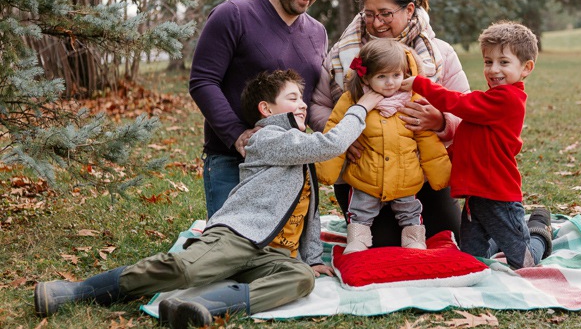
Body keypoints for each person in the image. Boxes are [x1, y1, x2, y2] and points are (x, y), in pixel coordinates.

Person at [35, 70, 383, 328]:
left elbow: (309, 212)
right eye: (293, 97)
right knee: (186, 268)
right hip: (240, 236)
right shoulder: (269, 137)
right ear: (266, 109)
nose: (303, 103)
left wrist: (309, 258)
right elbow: (331, 144)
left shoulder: (297, 150)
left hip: (271, 254)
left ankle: (203, 307)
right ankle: (78, 291)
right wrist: (363, 105)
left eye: (302, 97)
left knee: (301, 279)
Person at [309, 0, 470, 246]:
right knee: (382, 245)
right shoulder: (344, 53)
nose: (377, 23)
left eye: (386, 14)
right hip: (363, 175)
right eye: (369, 14)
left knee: (450, 237)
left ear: (409, 10)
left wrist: (440, 122)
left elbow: (466, 111)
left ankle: (537, 223)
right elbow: (319, 105)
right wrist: (345, 136)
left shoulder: (440, 53)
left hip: (419, 171)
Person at [190, 0, 329, 219]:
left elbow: (312, 100)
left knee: (284, 257)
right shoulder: (233, 15)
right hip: (234, 163)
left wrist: (338, 133)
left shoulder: (317, 33)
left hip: (291, 167)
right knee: (232, 256)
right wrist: (237, 134)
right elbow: (203, 80)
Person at [400, 21, 553, 269]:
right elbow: (465, 142)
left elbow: (458, 102)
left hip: (499, 197)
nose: (493, 69)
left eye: (504, 62)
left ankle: (537, 230)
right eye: (487, 61)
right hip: (475, 198)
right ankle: (503, 239)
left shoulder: (507, 100)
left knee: (524, 262)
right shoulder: (489, 104)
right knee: (471, 257)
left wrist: (421, 84)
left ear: (526, 68)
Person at [316, 40, 451, 253]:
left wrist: (441, 174)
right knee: (360, 209)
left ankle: (413, 239)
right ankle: (358, 239)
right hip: (366, 176)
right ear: (366, 77)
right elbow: (335, 129)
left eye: (396, 75)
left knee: (410, 210)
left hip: (405, 177)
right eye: (382, 77)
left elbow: (427, 140)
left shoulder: (413, 101)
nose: (390, 83)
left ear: (405, 73)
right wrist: (327, 168)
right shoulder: (353, 100)